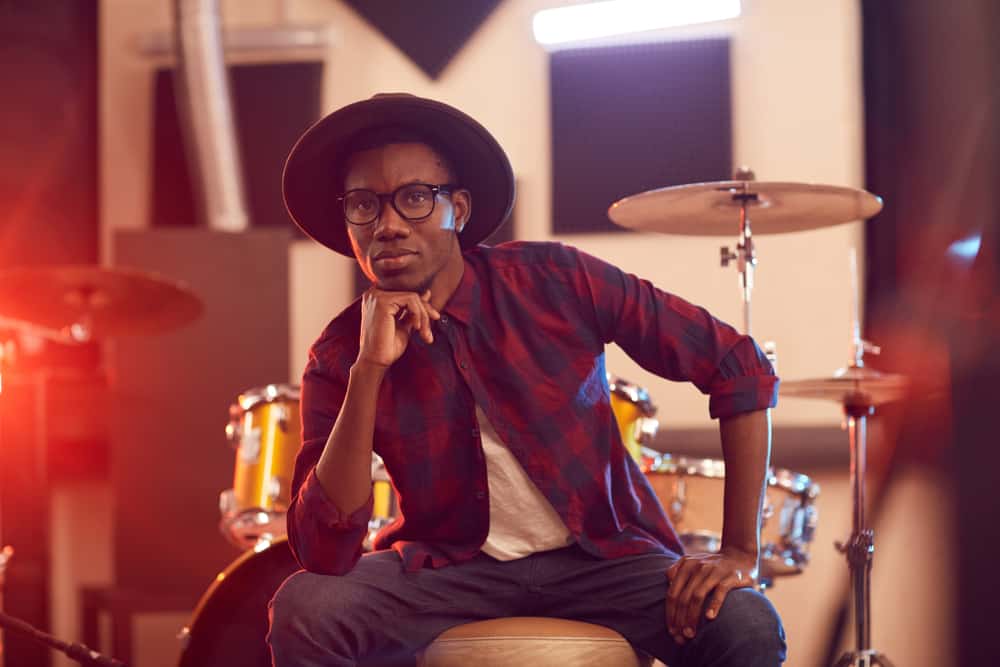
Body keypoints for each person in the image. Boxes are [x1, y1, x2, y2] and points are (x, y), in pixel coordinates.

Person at [269, 93, 785, 666]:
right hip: (449, 572)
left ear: (457, 210)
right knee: (307, 608)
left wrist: (740, 550)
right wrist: (368, 371)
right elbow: (323, 549)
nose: (388, 225)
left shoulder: (554, 280)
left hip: (604, 560)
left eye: (415, 198)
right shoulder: (340, 352)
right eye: (364, 205)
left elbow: (737, 364)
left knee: (746, 623)